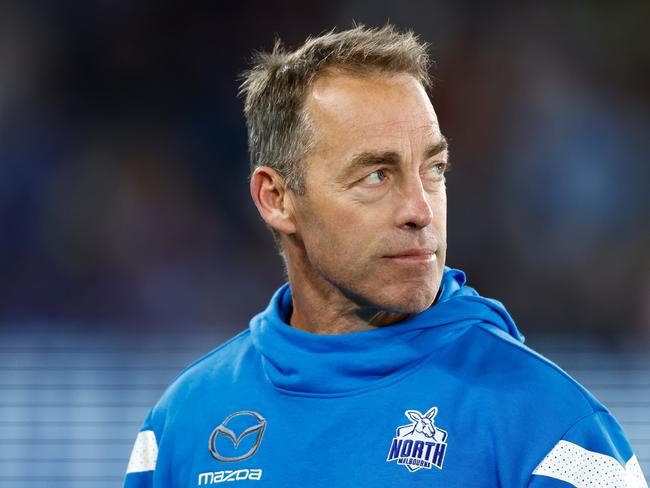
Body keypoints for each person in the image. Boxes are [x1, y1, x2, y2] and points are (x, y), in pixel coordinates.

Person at [124, 25, 647, 487]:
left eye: (434, 170)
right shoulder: (182, 424)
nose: (421, 210)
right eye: (376, 175)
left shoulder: (553, 434)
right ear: (276, 199)